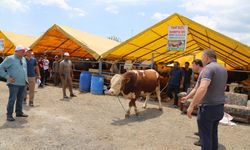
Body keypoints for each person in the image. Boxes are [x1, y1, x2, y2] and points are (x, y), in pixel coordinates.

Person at [186, 49, 227, 150]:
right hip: (219, 107)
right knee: (213, 135)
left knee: (205, 138)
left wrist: (191, 106)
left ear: (207, 57)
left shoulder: (208, 69)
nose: (202, 59)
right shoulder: (223, 69)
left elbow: (202, 88)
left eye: (202, 56)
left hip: (208, 108)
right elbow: (224, 87)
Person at [0, 45, 28, 121]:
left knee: (20, 98)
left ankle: (19, 112)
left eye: (24, 51)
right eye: (22, 51)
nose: (24, 53)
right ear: (17, 51)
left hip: (22, 83)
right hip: (13, 83)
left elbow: (24, 70)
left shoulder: (23, 59)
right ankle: (9, 115)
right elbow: (0, 68)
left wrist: (26, 80)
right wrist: (7, 77)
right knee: (12, 99)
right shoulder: (10, 58)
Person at [181, 59, 203, 146]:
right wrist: (187, 97)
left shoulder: (204, 73)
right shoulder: (201, 73)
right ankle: (201, 133)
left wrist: (192, 104)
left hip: (205, 102)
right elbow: (195, 88)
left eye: (193, 65)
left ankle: (202, 140)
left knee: (203, 121)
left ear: (198, 65)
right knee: (200, 119)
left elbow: (200, 89)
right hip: (203, 101)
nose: (192, 67)